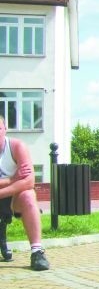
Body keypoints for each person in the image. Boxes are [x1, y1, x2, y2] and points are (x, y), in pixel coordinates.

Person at [0, 115, 50, 271]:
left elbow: (29, 181)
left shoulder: (16, 147)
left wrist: (11, 185)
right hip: (12, 188)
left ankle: (37, 252)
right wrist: (12, 179)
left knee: (28, 195)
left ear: (5, 129)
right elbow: (21, 180)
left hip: (14, 198)